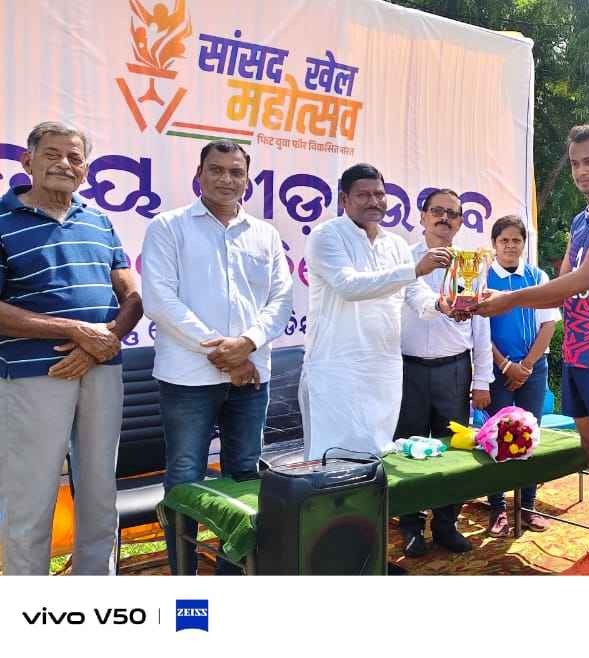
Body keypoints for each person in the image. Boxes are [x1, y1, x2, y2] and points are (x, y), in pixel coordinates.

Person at [476, 124, 589, 575]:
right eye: (574, 163)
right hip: (577, 350)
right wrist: (484, 304)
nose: (581, 171)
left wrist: (509, 299)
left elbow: (582, 279)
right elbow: (560, 287)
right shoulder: (580, 221)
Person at [142, 140, 293, 575]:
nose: (226, 179)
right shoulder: (168, 227)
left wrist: (248, 342)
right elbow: (160, 300)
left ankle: (232, 571)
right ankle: (184, 575)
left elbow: (281, 299)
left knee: (244, 474)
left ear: (248, 179)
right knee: (185, 475)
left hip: (251, 375)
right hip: (188, 377)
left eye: (236, 171)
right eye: (216, 169)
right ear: (199, 174)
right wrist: (224, 351)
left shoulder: (264, 234)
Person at [0, 121, 143, 575]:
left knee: (100, 494)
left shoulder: (99, 221)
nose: (64, 164)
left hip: (103, 369)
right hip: (33, 376)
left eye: (75, 158)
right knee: (30, 497)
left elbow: (132, 297)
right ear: (27, 161)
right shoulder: (2, 221)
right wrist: (78, 331)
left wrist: (103, 342)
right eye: (52, 154)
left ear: (85, 169)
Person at [299, 163, 448, 460]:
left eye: (379, 194)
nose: (374, 201)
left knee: (375, 460)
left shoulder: (395, 244)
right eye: (363, 195)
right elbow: (349, 286)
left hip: (382, 369)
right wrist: (415, 269)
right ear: (345, 200)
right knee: (331, 461)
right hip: (336, 370)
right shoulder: (326, 236)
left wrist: (442, 305)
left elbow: (414, 293)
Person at [395, 188, 494, 556]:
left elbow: (481, 326)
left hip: (454, 369)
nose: (444, 218)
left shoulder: (472, 263)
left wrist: (481, 380)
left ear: (461, 222)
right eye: (437, 211)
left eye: (453, 214)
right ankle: (410, 526)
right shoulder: (403, 259)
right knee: (407, 448)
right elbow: (409, 299)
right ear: (422, 217)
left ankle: (446, 524)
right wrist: (441, 304)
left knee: (454, 448)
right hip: (407, 369)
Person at [483, 214, 560, 537]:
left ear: (524, 244)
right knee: (496, 437)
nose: (510, 246)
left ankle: (527, 506)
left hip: (533, 368)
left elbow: (549, 323)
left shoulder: (537, 276)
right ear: (494, 244)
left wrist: (526, 365)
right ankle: (498, 509)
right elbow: (478, 331)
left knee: (529, 436)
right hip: (495, 369)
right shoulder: (483, 277)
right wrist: (505, 365)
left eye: (516, 240)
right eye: (504, 240)